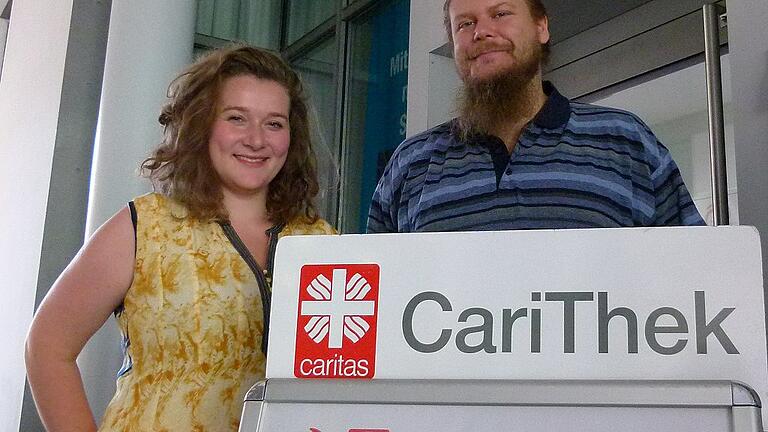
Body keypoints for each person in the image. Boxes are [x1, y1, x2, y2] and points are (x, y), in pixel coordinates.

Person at [25, 45, 335, 431]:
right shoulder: (145, 227)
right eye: (237, 118)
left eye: (274, 123)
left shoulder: (321, 242)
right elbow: (47, 348)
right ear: (201, 124)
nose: (257, 139)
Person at [367, 0, 705, 233]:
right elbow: (376, 299)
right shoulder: (410, 165)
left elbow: (693, 278)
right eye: (465, 23)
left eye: (500, 14)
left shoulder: (626, 141)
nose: (481, 31)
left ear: (541, 27)